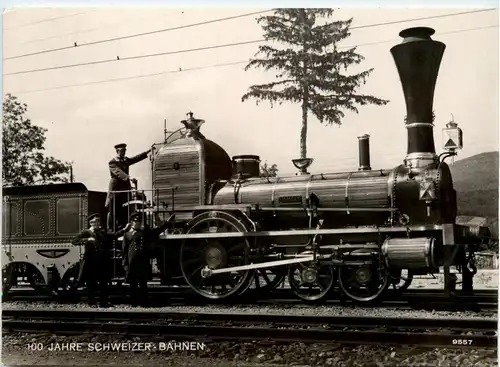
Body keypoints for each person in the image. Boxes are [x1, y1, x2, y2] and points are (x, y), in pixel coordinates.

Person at [71, 213, 131, 307]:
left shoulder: (102, 232)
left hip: (102, 261)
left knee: (104, 282)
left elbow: (113, 236)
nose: (98, 222)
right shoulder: (86, 232)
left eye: (99, 220)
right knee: (91, 282)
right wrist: (86, 240)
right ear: (91, 223)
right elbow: (74, 241)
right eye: (96, 221)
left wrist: (124, 230)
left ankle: (104, 302)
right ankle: (92, 302)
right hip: (91, 262)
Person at [122, 212, 175, 307]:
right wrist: (125, 264)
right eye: (135, 221)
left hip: (143, 261)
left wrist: (167, 223)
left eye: (138, 221)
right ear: (131, 223)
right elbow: (124, 250)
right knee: (133, 283)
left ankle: (144, 302)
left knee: (143, 283)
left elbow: (157, 230)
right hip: (132, 262)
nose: (137, 223)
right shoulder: (127, 234)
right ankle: (134, 302)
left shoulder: (145, 232)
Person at [106, 143, 151, 231]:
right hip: (116, 189)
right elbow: (118, 172)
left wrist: (147, 152)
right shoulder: (112, 162)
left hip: (125, 188)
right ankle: (112, 228)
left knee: (125, 208)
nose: (124, 152)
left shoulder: (125, 160)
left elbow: (135, 158)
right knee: (114, 209)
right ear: (117, 151)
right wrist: (128, 178)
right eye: (122, 151)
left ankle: (124, 226)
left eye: (125, 150)